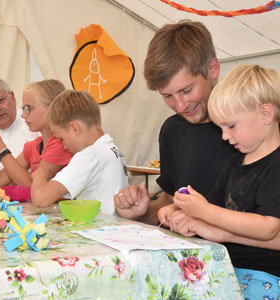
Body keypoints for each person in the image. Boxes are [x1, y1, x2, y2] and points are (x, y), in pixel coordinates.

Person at [170, 65, 280, 299]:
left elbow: (268, 226)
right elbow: (214, 205)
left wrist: (205, 211)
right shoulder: (236, 162)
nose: (224, 136)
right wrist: (182, 211)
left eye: (230, 126)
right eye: (220, 128)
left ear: (266, 114)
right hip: (228, 266)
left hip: (267, 276)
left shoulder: (276, 166)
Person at [114, 20, 236, 224]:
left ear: (213, 69)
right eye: (167, 96)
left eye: (186, 91)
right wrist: (143, 213)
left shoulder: (253, 126)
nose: (180, 106)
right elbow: (171, 201)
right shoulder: (173, 130)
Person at [31, 90, 129, 214]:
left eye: (61, 139)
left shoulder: (91, 155)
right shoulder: (110, 148)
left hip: (100, 230)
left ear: (75, 128)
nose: (64, 146)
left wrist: (41, 174)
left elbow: (40, 199)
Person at [0, 79, 72, 187]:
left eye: (28, 108)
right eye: (23, 108)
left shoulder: (61, 144)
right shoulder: (33, 147)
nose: (22, 115)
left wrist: (0, 148)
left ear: (52, 107)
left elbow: (34, 188)